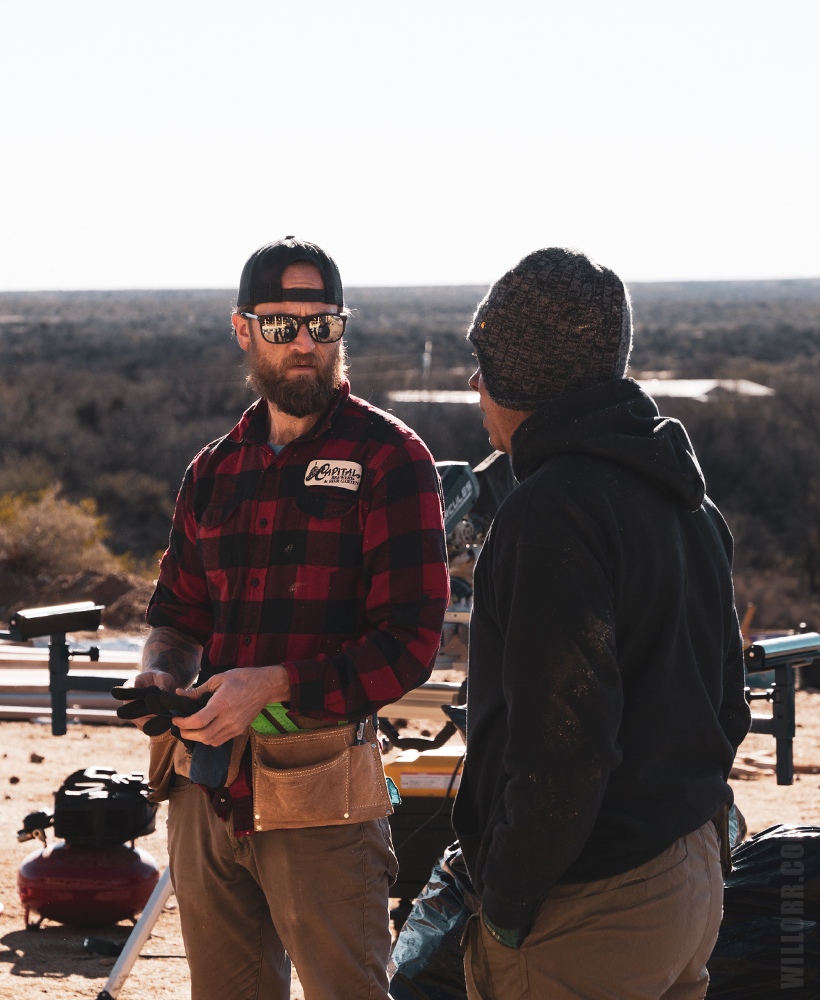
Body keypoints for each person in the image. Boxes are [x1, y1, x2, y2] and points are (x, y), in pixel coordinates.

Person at [128, 237, 450, 1000]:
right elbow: (177, 615)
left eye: (323, 323)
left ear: (342, 328)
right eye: (281, 326)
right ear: (243, 330)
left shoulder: (391, 458)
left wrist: (271, 685)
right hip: (206, 791)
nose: (304, 343)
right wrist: (158, 672)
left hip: (324, 794)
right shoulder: (214, 469)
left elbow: (409, 645)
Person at [452, 247, 750, 999]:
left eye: (484, 365)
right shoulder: (686, 500)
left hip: (589, 906)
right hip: (688, 877)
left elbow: (564, 750)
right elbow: (729, 703)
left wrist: (507, 906)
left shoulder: (551, 513)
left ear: (522, 378)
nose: (474, 385)